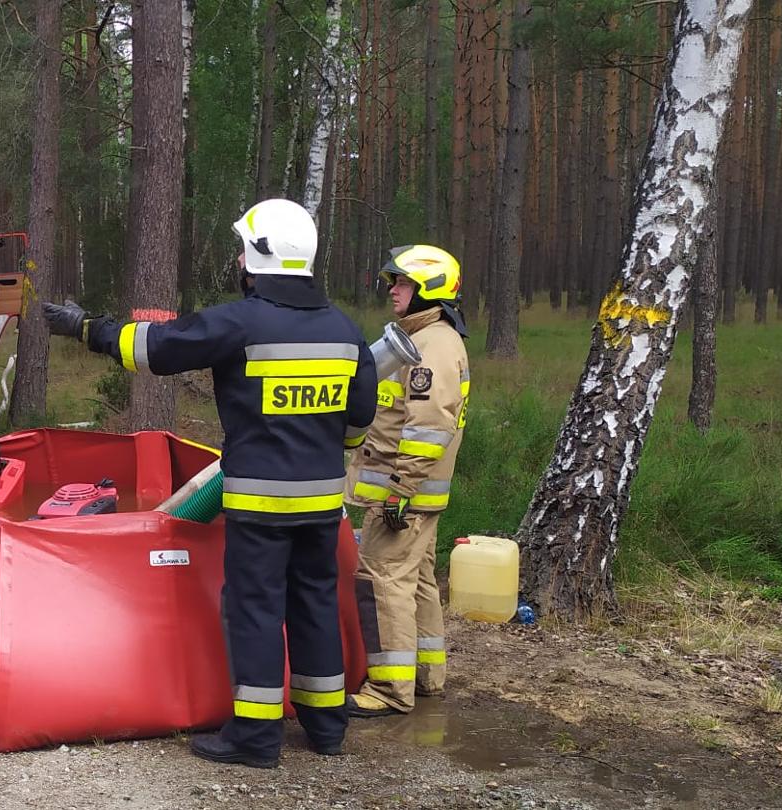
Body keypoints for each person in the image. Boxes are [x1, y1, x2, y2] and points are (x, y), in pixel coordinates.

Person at [43, 198, 377, 768]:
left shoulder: (240, 322)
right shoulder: (345, 330)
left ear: (254, 256)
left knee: (254, 610)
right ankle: (326, 728)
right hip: (322, 503)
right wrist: (323, 457)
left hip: (258, 502)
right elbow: (361, 416)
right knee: (317, 601)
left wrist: (85, 329)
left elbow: (154, 348)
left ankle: (255, 738)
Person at [344, 244, 470, 718]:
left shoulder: (431, 346)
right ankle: (425, 676)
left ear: (428, 288)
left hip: (405, 496)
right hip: (417, 494)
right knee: (417, 582)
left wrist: (401, 490)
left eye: (402, 282)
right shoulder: (427, 337)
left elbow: (428, 427)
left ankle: (389, 690)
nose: (393, 289)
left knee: (380, 580)